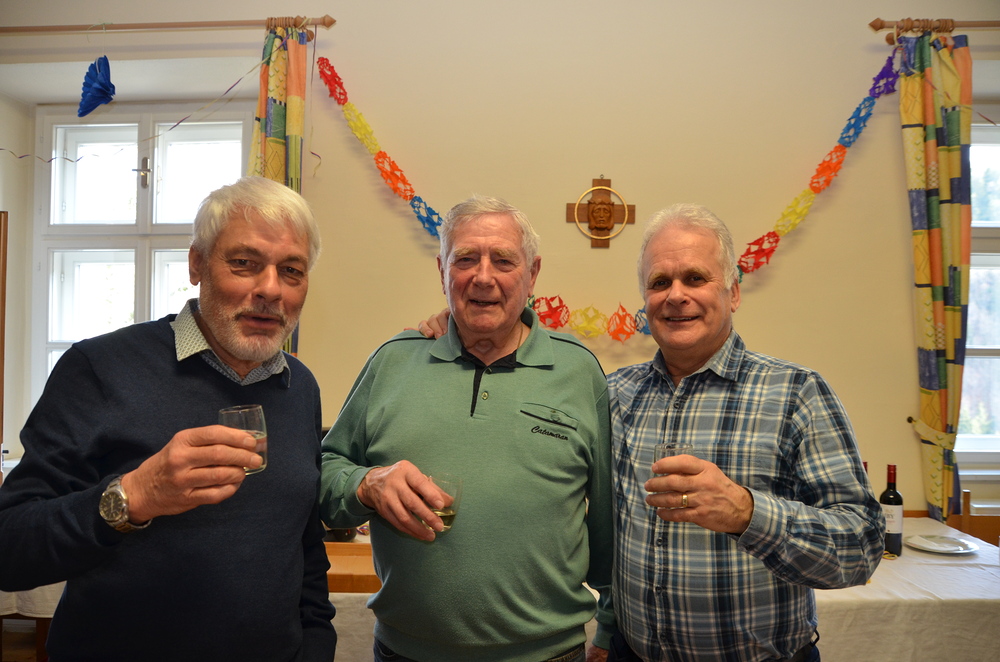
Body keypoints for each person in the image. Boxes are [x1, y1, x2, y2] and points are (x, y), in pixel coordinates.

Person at [418, 203, 884, 662]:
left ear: (733, 292)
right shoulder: (615, 394)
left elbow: (861, 547)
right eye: (660, 283)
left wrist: (747, 513)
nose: (675, 296)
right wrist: (457, 326)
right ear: (644, 300)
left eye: (695, 278)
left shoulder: (796, 393)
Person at [0, 176, 337, 662]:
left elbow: (303, 546)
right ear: (197, 263)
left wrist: (316, 646)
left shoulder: (299, 386)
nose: (270, 289)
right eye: (244, 263)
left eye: (291, 270)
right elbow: (9, 548)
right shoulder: (99, 367)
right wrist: (135, 496)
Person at [318, 195, 615, 662]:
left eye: (503, 260)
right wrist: (367, 483)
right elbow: (325, 474)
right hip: (406, 653)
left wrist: (611, 626)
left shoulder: (579, 371)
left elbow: (609, 520)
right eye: (466, 259)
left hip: (548, 653)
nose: (483, 277)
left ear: (533, 273)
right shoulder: (393, 361)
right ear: (442, 271)